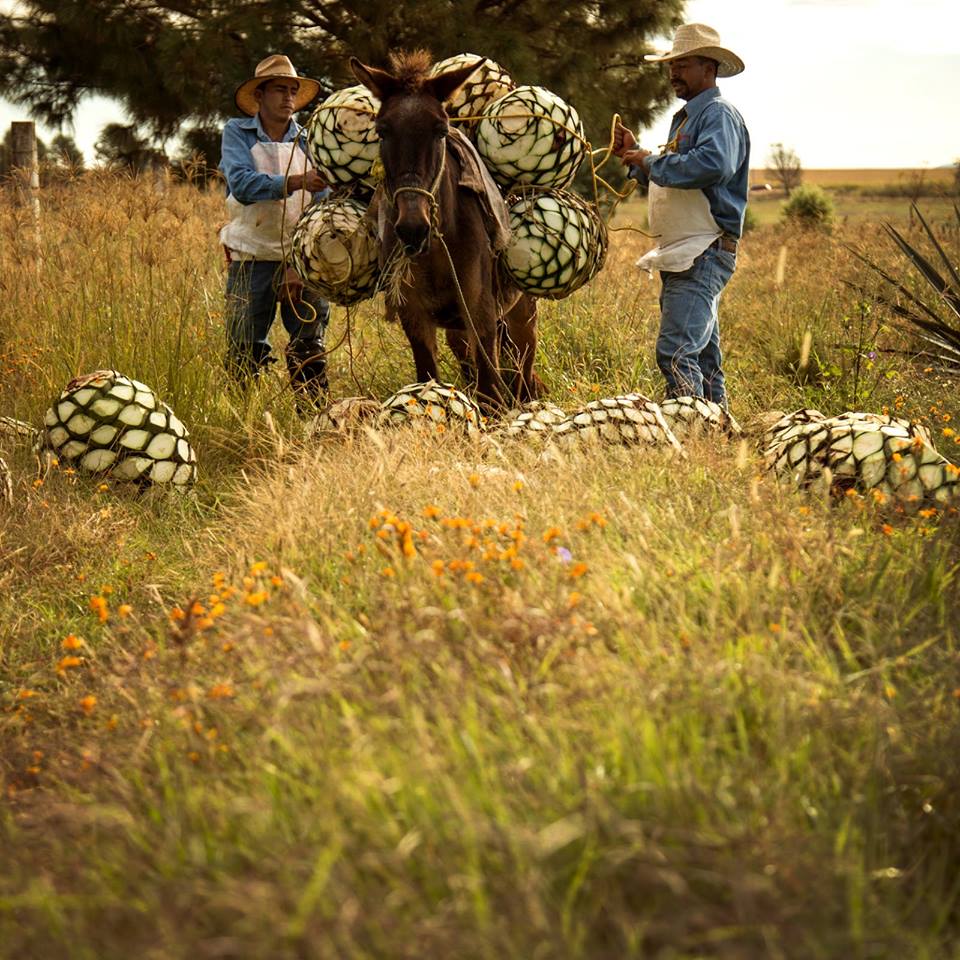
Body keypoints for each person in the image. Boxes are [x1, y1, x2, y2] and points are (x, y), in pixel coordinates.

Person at [612, 23, 750, 410]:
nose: (673, 73)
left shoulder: (718, 115)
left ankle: (690, 431)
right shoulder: (689, 118)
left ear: (710, 67)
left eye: (683, 64)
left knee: (675, 352)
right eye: (672, 65)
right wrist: (636, 156)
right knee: (703, 356)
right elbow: (677, 174)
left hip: (702, 249)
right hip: (688, 249)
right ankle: (715, 429)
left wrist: (651, 161)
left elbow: (711, 165)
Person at [219, 54, 330, 407]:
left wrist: (299, 264)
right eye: (280, 89)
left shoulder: (310, 139)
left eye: (293, 90)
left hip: (304, 256)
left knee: (309, 345)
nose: (288, 97)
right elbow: (242, 185)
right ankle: (243, 421)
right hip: (252, 254)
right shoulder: (238, 133)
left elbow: (323, 206)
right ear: (260, 96)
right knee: (244, 347)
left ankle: (312, 420)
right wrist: (298, 180)